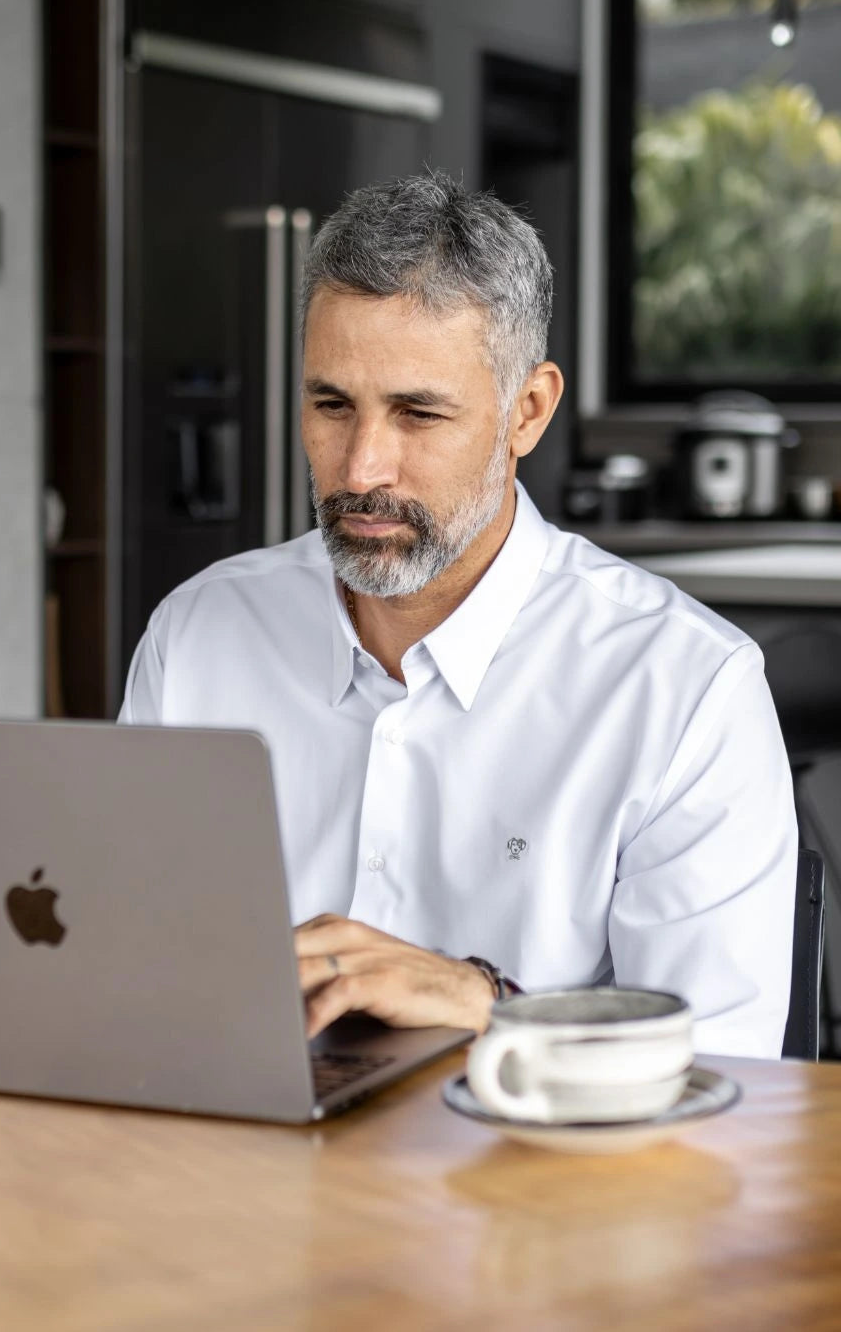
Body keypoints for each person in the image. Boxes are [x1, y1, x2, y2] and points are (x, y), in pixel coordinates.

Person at [120, 170, 797, 1058]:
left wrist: (491, 1006)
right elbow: (123, 964)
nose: (362, 468)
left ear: (528, 412)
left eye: (418, 413)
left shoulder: (688, 689)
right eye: (332, 405)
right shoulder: (197, 635)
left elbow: (724, 1079)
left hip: (527, 1147)